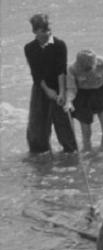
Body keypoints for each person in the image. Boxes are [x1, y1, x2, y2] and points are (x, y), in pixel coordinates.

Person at [23, 13, 77, 154]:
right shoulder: (29, 48)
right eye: (43, 31)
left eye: (48, 30)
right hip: (40, 88)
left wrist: (61, 93)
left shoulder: (59, 45)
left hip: (59, 86)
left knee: (64, 126)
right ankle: (40, 155)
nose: (47, 33)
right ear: (35, 31)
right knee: (38, 128)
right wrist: (47, 90)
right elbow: (36, 73)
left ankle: (70, 154)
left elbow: (61, 70)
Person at [65, 49, 103, 152]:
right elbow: (71, 89)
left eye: (89, 67)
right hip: (82, 97)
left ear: (94, 62)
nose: (87, 70)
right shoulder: (72, 69)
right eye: (84, 68)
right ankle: (87, 151)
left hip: (101, 93)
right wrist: (69, 101)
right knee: (87, 132)